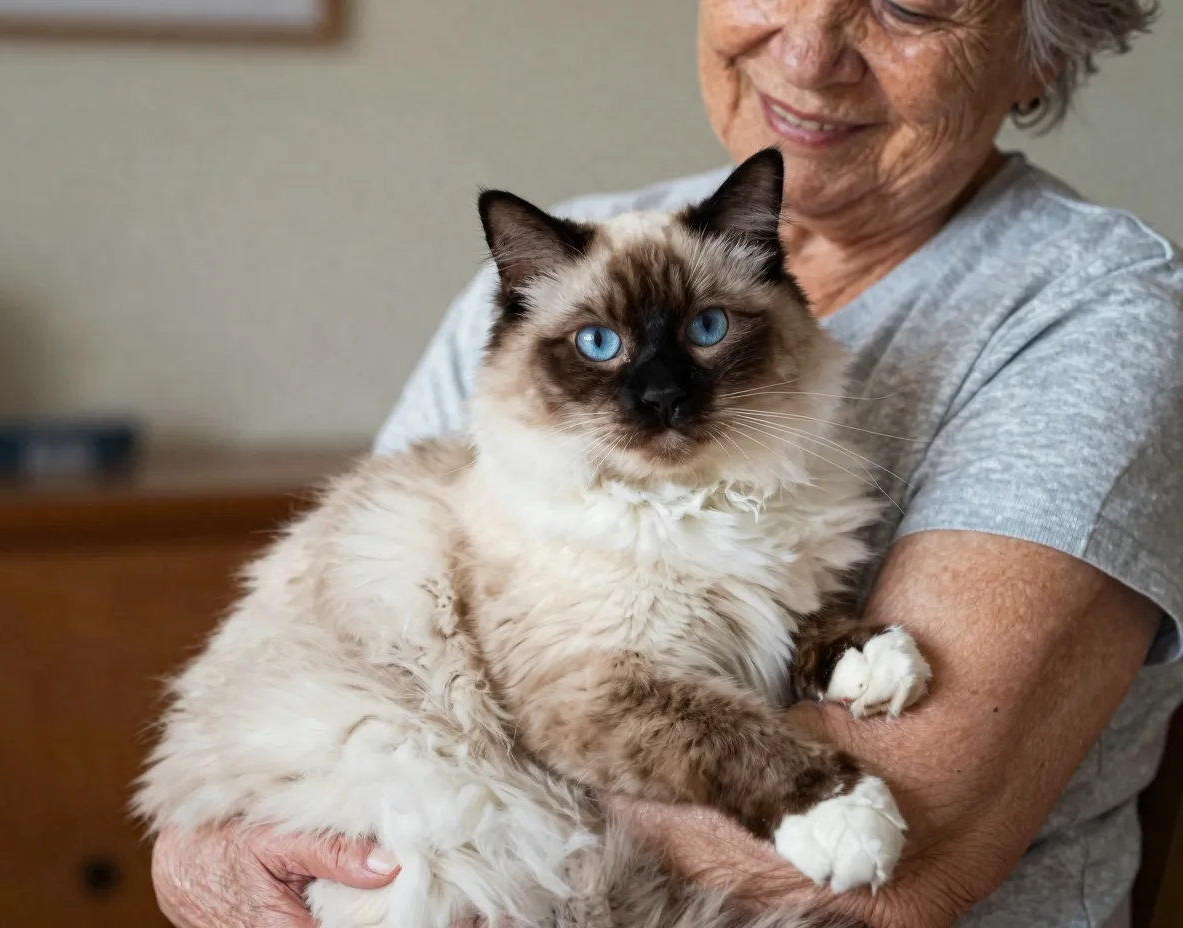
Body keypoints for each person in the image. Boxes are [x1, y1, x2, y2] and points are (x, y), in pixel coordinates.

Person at [151, 1, 1183, 926]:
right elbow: (306, 674)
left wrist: (441, 834)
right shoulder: (565, 262)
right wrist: (200, 857)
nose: (812, 49)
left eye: (906, 3)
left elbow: (903, 858)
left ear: (1038, 55)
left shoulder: (1089, 316)